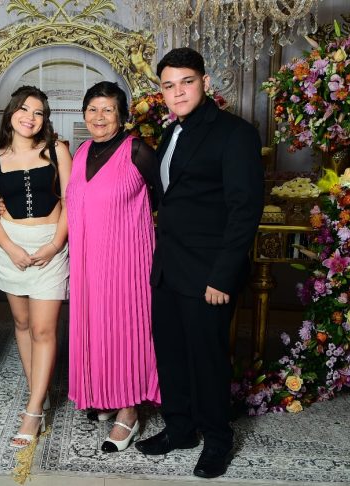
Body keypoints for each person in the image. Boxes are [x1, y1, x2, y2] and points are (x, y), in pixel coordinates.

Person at [134, 47, 264, 479]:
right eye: (169, 86)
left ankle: (218, 440)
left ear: (205, 83)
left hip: (209, 273)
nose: (178, 92)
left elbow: (245, 210)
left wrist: (223, 276)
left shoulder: (235, 133)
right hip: (169, 267)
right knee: (171, 354)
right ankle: (180, 429)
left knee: (208, 361)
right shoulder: (170, 132)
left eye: (186, 82)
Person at [66, 81, 161, 453]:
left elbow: (167, 198)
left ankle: (129, 411)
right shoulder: (80, 152)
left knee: (125, 331)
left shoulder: (137, 150)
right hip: (87, 262)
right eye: (92, 109)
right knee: (96, 328)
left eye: (108, 109)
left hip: (127, 261)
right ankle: (105, 393)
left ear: (122, 116)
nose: (99, 116)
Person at [0, 86, 72, 448]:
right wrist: (11, 248)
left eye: (38, 112)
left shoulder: (57, 150)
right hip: (10, 246)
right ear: (11, 113)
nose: (29, 117)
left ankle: (33, 411)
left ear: (44, 119)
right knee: (21, 323)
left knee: (44, 329)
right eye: (23, 109)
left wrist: (54, 245)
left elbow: (71, 204)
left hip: (51, 244)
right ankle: (39, 392)